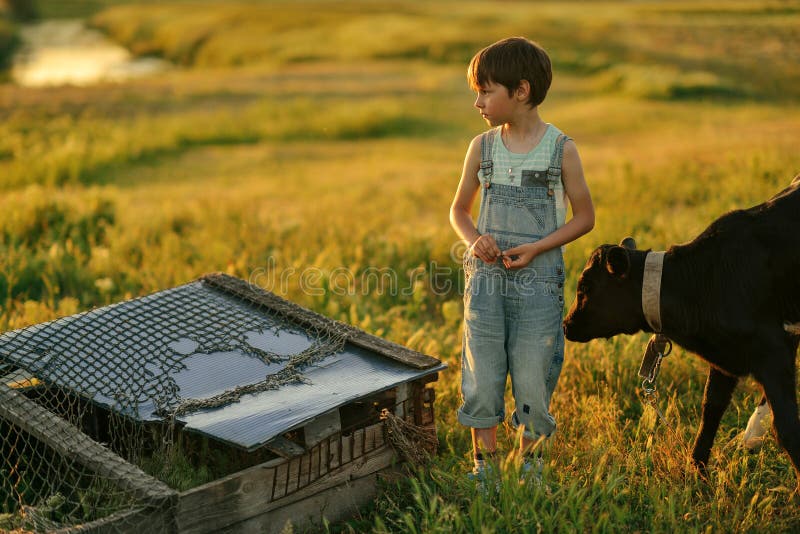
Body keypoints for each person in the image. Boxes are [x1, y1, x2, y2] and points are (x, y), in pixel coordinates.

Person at [449, 37, 595, 484]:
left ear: (522, 91)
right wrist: (475, 240)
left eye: (486, 91)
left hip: (539, 281)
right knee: (483, 369)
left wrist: (538, 247)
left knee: (533, 371)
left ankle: (530, 464)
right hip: (487, 282)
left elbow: (585, 217)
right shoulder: (482, 147)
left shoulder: (560, 150)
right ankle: (485, 468)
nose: (478, 102)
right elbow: (458, 211)